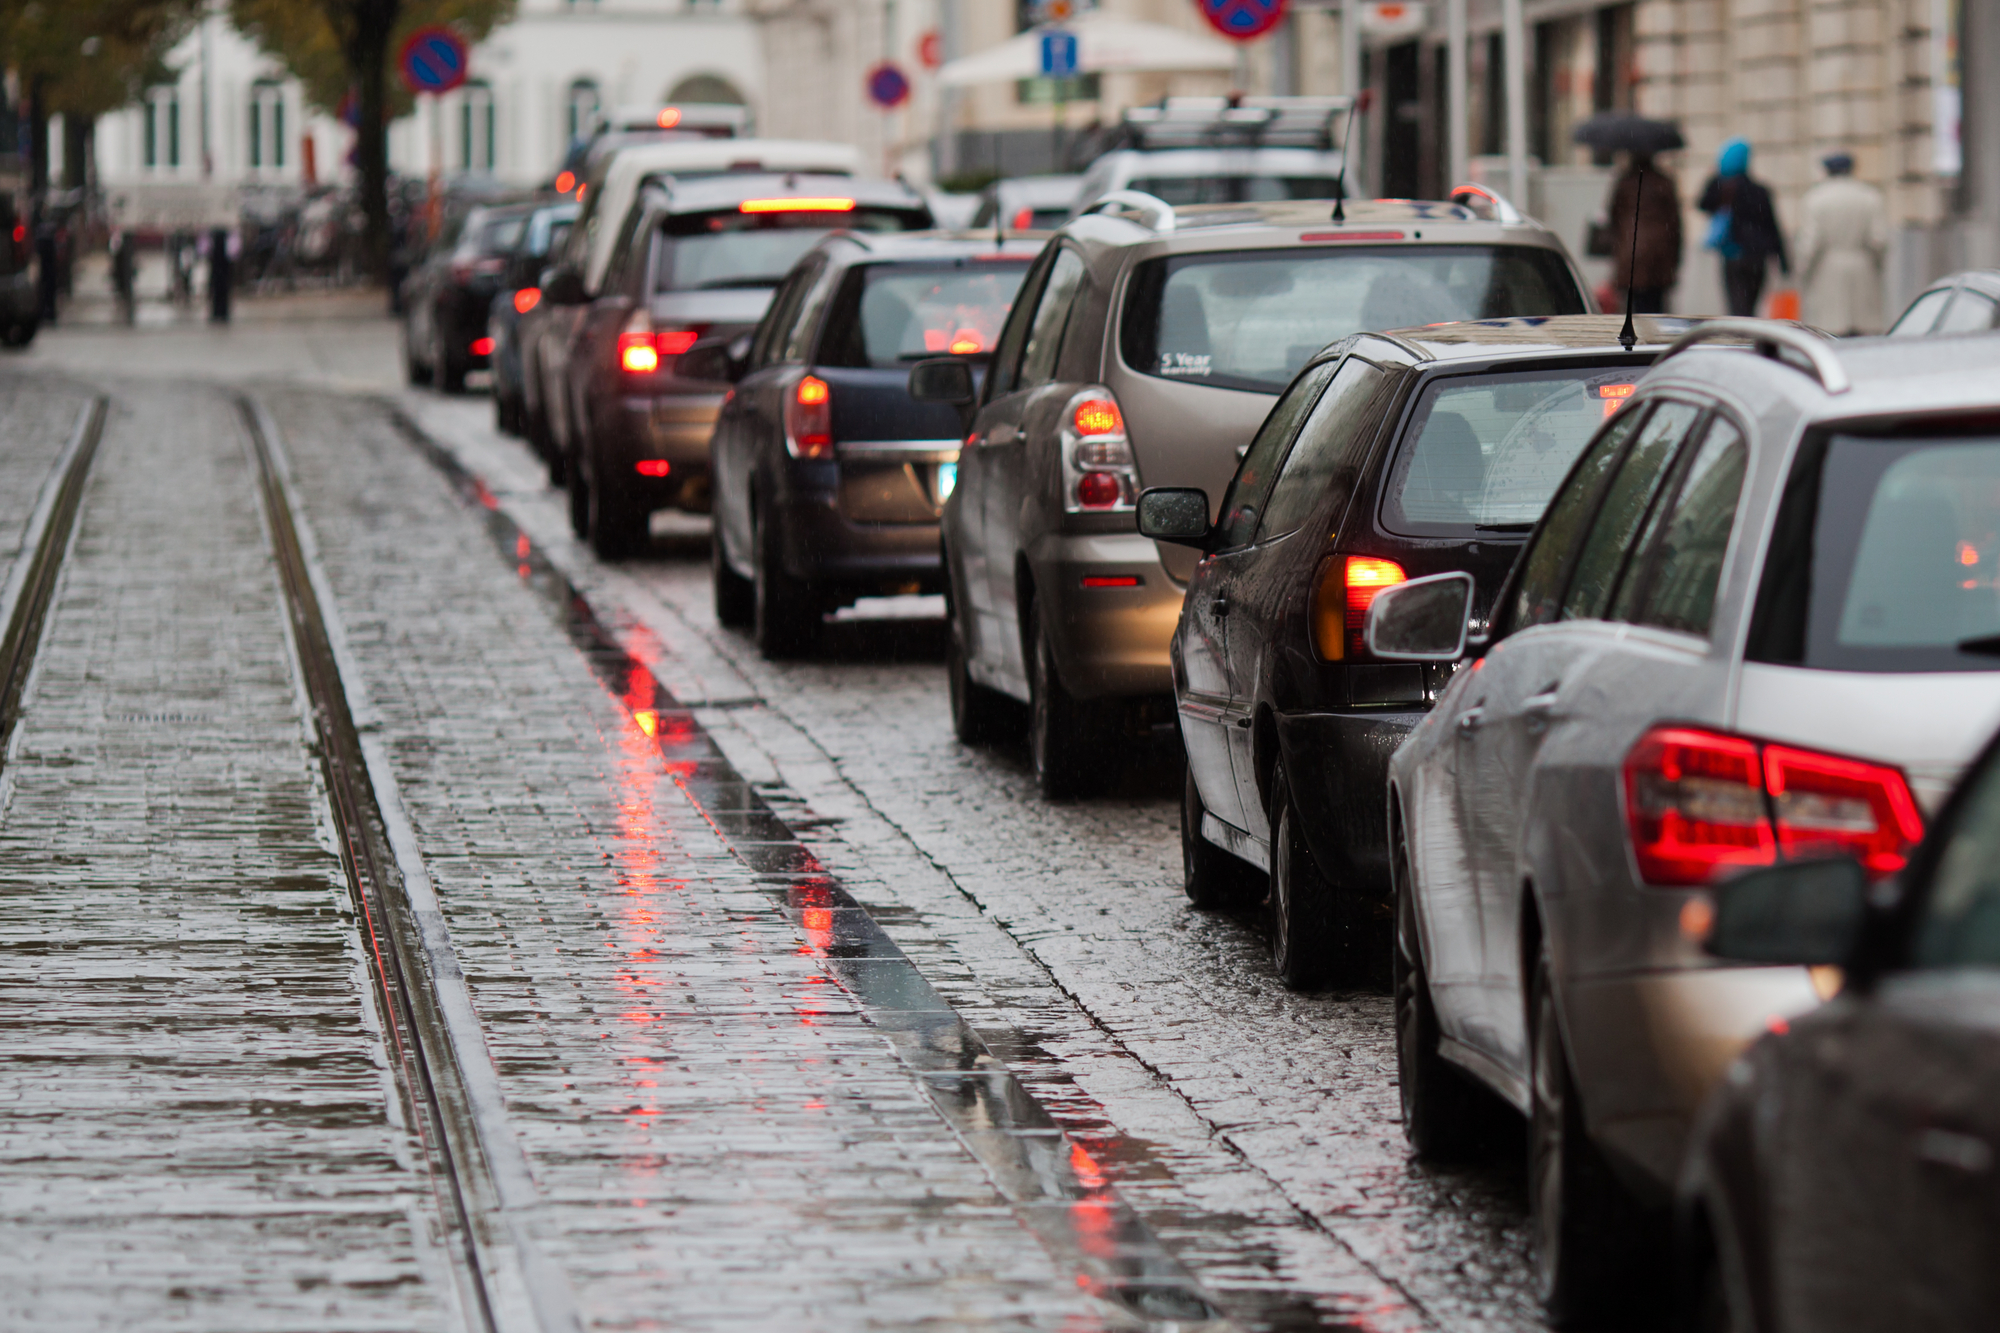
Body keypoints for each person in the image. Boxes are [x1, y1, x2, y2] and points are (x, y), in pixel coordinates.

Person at [1795, 151, 1889, 335]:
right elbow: (1879, 240)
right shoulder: (1870, 196)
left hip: (1827, 272)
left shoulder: (1816, 198)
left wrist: (1803, 272)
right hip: (1862, 268)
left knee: (1830, 331)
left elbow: (1810, 244)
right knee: (1862, 332)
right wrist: (1876, 265)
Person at [1699, 137, 1789, 317]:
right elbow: (1773, 226)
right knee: (1750, 307)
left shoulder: (1720, 186)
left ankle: (1741, 340)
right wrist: (1783, 260)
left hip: (1733, 256)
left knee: (1737, 307)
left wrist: (1715, 176)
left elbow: (1703, 204)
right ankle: (1748, 338)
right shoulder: (1760, 191)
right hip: (1757, 258)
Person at [1607, 153, 1682, 312]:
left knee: (1631, 311)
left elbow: (1613, 218)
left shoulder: (1624, 182)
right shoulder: (1664, 182)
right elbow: (1675, 224)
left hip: (1630, 253)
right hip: (1659, 256)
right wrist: (1676, 260)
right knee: (1656, 310)